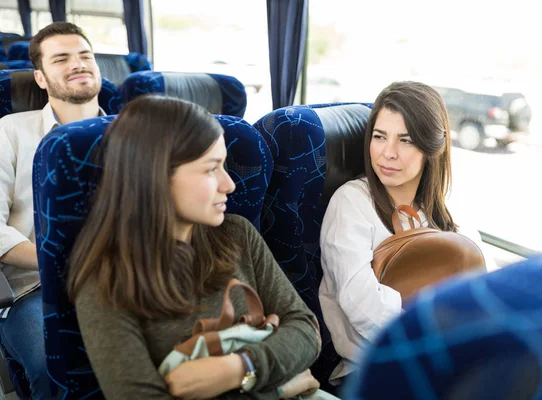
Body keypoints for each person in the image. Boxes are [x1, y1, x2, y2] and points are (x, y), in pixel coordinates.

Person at [67, 95, 321, 399]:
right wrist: (279, 387)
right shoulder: (106, 278)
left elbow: (305, 330)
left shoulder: (237, 234)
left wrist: (237, 369)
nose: (230, 185)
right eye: (211, 169)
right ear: (155, 176)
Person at [318, 81, 495, 384]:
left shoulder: (447, 206)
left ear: (431, 148)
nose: (388, 153)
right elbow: (363, 305)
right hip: (372, 368)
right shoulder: (352, 202)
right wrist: (441, 345)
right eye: (379, 137)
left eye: (406, 141)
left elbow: (480, 280)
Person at [0, 21, 103, 398]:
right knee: (55, 368)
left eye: (85, 55)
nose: (78, 64)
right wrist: (67, 261)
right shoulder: (10, 132)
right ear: (41, 78)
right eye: (61, 58)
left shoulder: (132, 132)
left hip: (125, 281)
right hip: (36, 289)